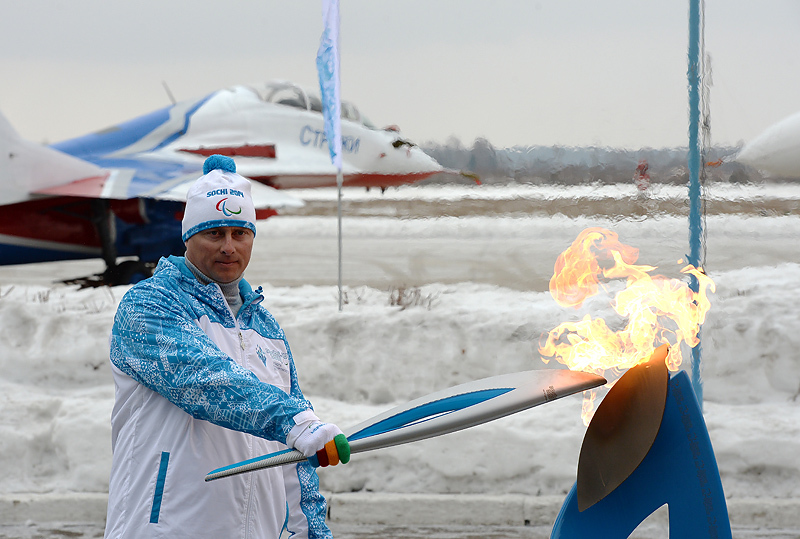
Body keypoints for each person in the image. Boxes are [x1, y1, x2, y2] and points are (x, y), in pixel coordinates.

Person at [104, 155, 349, 539]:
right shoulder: (149, 305)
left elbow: (294, 459)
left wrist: (312, 533)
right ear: (189, 237)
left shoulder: (265, 328)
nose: (229, 247)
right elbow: (203, 378)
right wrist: (294, 423)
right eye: (214, 233)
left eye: (240, 233)